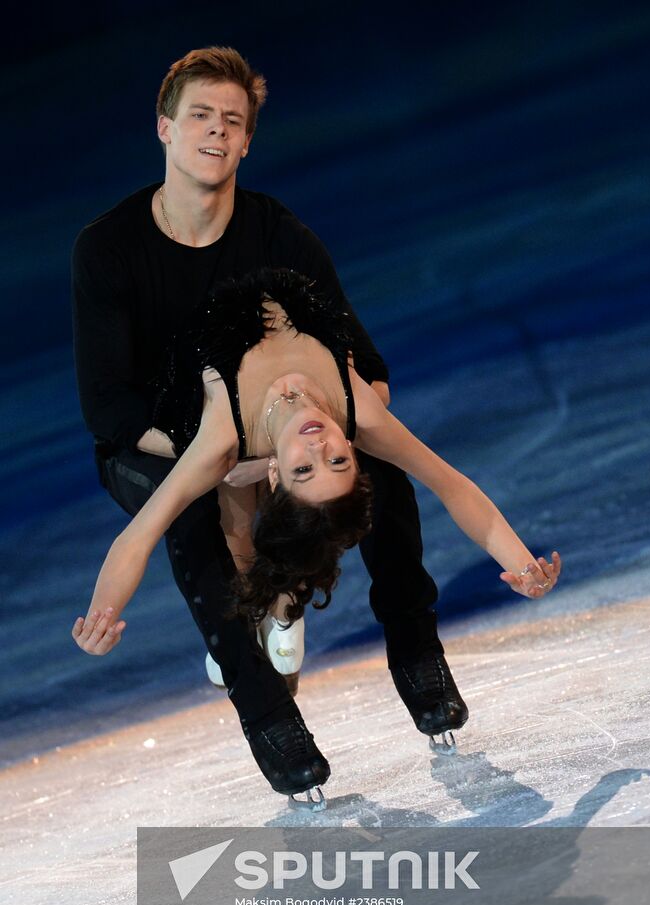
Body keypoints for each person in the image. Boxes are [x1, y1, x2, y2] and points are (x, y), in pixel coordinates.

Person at [69, 44, 501, 809]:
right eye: (199, 115)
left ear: (246, 143)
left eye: (231, 121)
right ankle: (267, 711)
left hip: (268, 425)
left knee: (385, 472)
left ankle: (416, 653)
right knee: (195, 516)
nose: (215, 132)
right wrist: (225, 453)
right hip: (159, 443)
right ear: (163, 129)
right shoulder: (108, 249)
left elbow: (364, 360)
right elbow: (109, 409)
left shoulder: (277, 233)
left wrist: (329, 430)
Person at [73, 268, 562, 807]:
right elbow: (450, 482)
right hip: (178, 409)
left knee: (217, 495)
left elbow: (139, 536)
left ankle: (277, 602)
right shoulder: (358, 413)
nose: (319, 445)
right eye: (337, 459)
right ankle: (276, 604)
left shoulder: (223, 437)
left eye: (306, 469)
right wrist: (522, 563)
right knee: (238, 504)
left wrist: (101, 616)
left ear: (278, 472)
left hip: (200, 428)